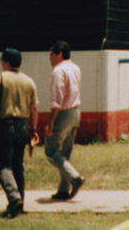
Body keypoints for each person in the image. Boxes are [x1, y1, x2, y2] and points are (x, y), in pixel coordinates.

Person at [0, 47, 38, 219]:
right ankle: (20, 202)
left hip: (5, 126)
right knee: (18, 166)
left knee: (3, 166)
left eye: (2, 61)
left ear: (6, 62)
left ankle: (14, 199)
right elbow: (34, 108)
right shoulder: (29, 81)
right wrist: (33, 130)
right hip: (22, 126)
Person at [45, 40, 84, 200]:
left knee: (51, 152)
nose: (50, 58)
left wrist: (50, 121)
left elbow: (57, 99)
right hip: (76, 112)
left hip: (63, 113)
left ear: (59, 54)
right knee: (65, 153)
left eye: (52, 55)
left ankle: (75, 178)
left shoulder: (58, 71)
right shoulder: (75, 68)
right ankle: (63, 190)